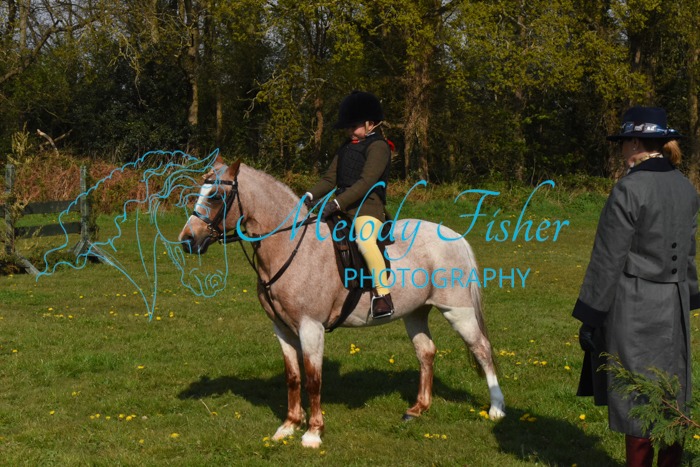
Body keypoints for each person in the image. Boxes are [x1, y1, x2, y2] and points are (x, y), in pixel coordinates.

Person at [573, 106, 699, 467]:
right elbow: (689, 252)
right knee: (672, 390)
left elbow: (608, 258)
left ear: (634, 143)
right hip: (674, 303)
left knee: (637, 395)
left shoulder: (628, 188)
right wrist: (690, 295)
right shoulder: (686, 187)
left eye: (623, 143)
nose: (620, 151)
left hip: (635, 304)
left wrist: (590, 317)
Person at [304, 90, 394, 319]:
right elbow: (329, 179)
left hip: (367, 208)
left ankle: (383, 295)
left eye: (353, 126)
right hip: (342, 208)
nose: (349, 131)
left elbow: (366, 182)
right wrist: (307, 196)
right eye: (347, 127)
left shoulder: (379, 147)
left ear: (371, 123)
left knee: (365, 241)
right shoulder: (345, 147)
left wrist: (336, 202)